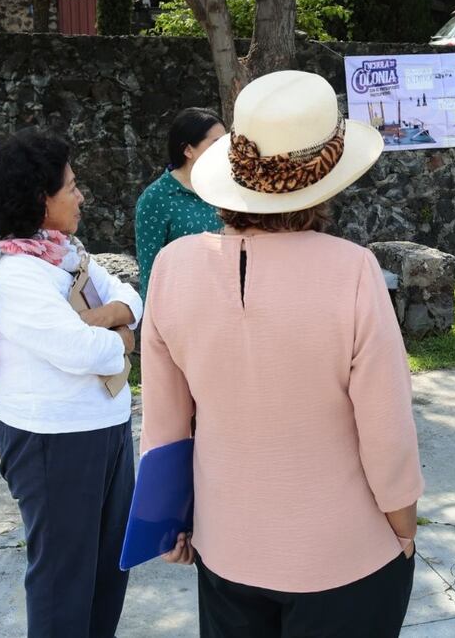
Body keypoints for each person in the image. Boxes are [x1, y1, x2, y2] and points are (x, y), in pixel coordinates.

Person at [140, 71, 423, 637]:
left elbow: (164, 424)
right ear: (329, 180)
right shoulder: (354, 272)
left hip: (226, 546)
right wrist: (404, 527)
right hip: (344, 553)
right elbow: (387, 434)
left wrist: (165, 518)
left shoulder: (173, 267)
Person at [0, 129, 141, 637]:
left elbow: (131, 296)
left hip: (107, 429)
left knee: (107, 570)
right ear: (40, 199)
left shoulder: (64, 253)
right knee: (62, 580)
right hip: (54, 443)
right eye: (71, 187)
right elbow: (81, 351)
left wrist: (112, 317)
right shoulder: (14, 274)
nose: (80, 195)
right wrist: (119, 332)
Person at [135, 107, 226, 302]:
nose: (226, 151)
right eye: (216, 144)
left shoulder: (227, 189)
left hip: (228, 301)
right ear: (187, 150)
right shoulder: (156, 199)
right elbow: (150, 273)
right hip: (184, 308)